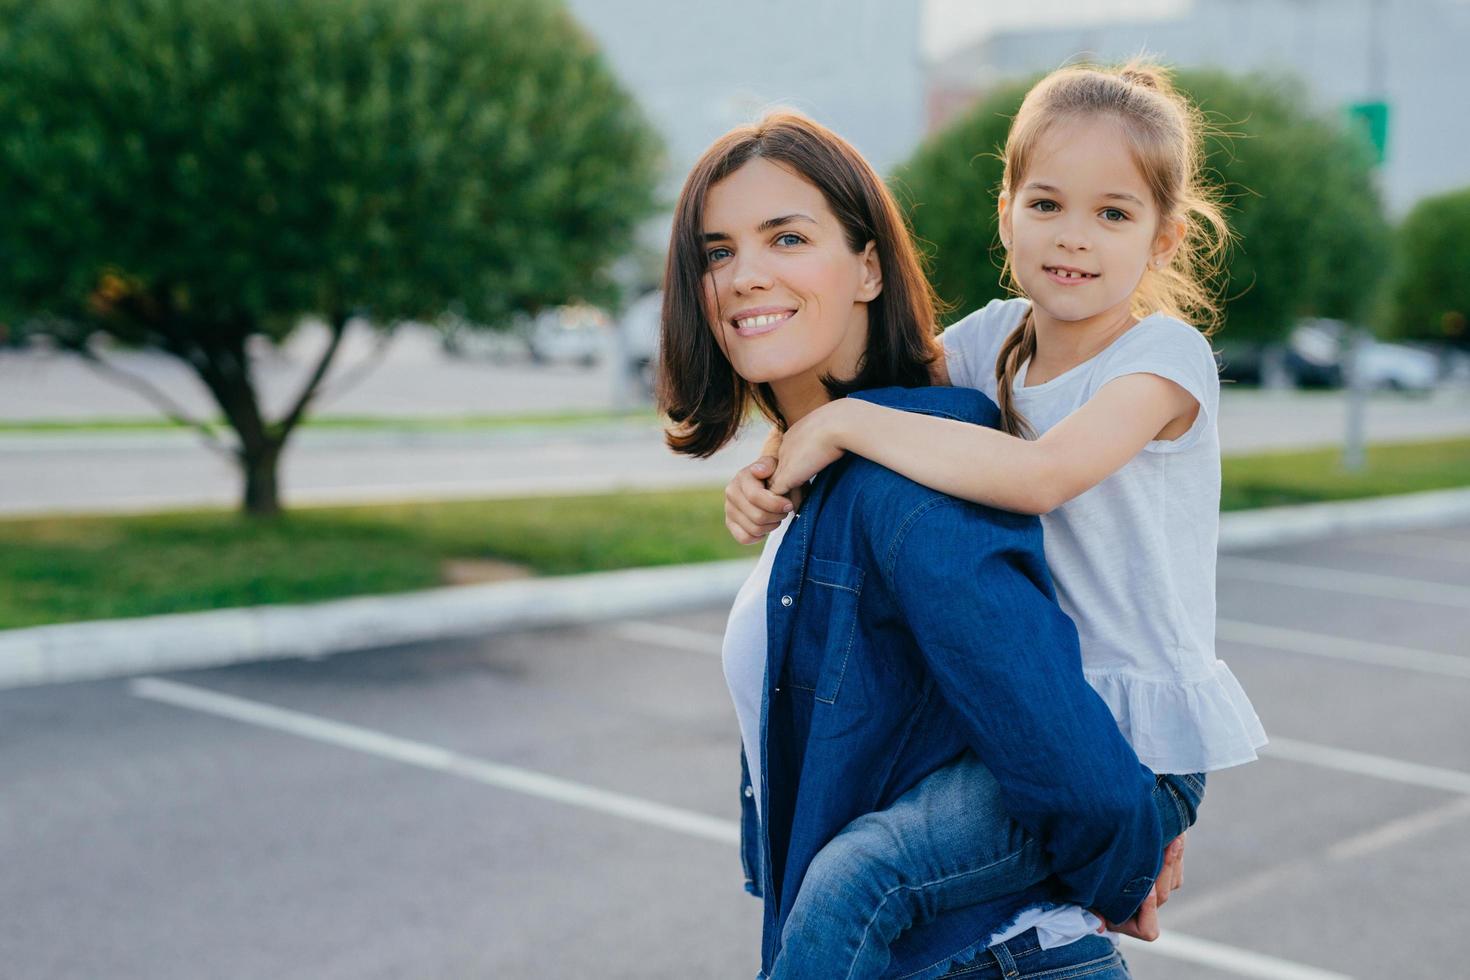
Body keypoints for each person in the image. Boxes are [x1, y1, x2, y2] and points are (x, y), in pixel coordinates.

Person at [722, 64, 1268, 977]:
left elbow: (1041, 474)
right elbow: (881, 399)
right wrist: (771, 464)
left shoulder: (1162, 360)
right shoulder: (993, 340)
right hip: (1046, 724)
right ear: (1005, 208)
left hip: (1132, 738)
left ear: (1166, 238)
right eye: (1047, 204)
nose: (1074, 239)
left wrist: (843, 423)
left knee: (860, 876)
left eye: (1114, 215)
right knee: (851, 865)